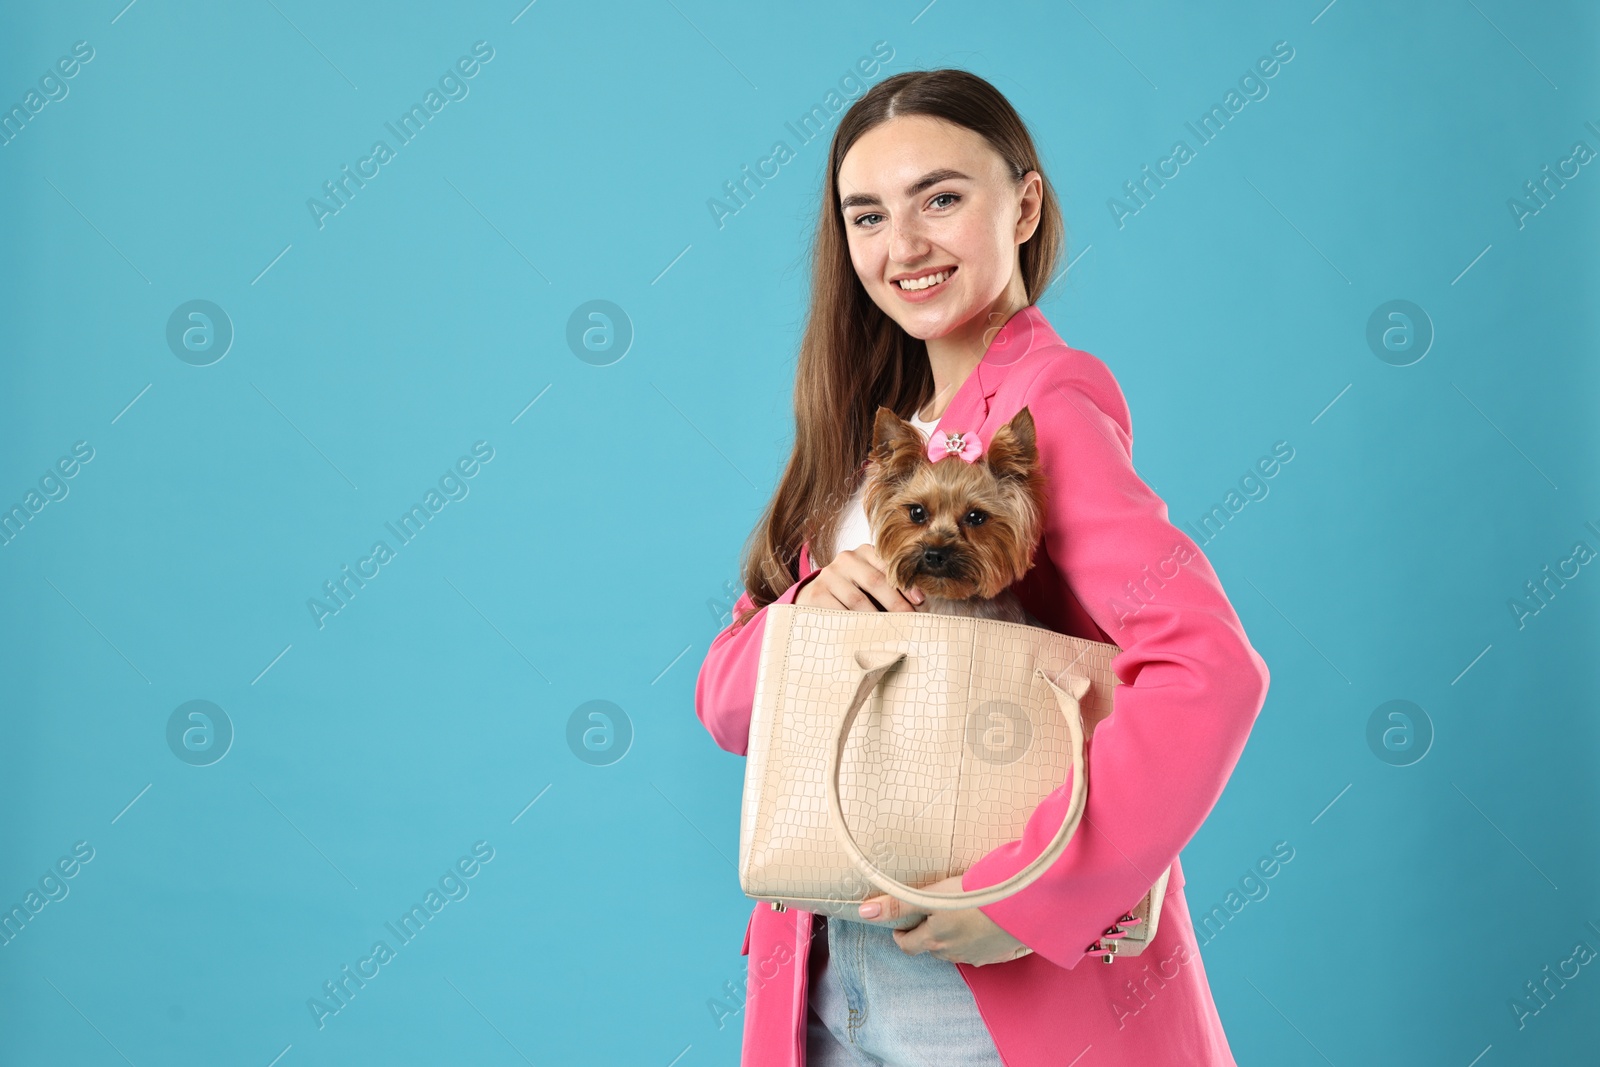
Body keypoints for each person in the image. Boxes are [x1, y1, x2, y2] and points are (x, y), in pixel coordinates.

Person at [694, 68, 1270, 1067]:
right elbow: (727, 706)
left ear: (1025, 206)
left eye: (942, 199)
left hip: (987, 1004)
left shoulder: (1048, 409)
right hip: (823, 987)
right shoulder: (853, 444)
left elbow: (1209, 668)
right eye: (866, 215)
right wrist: (807, 609)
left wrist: (1029, 894)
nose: (903, 245)